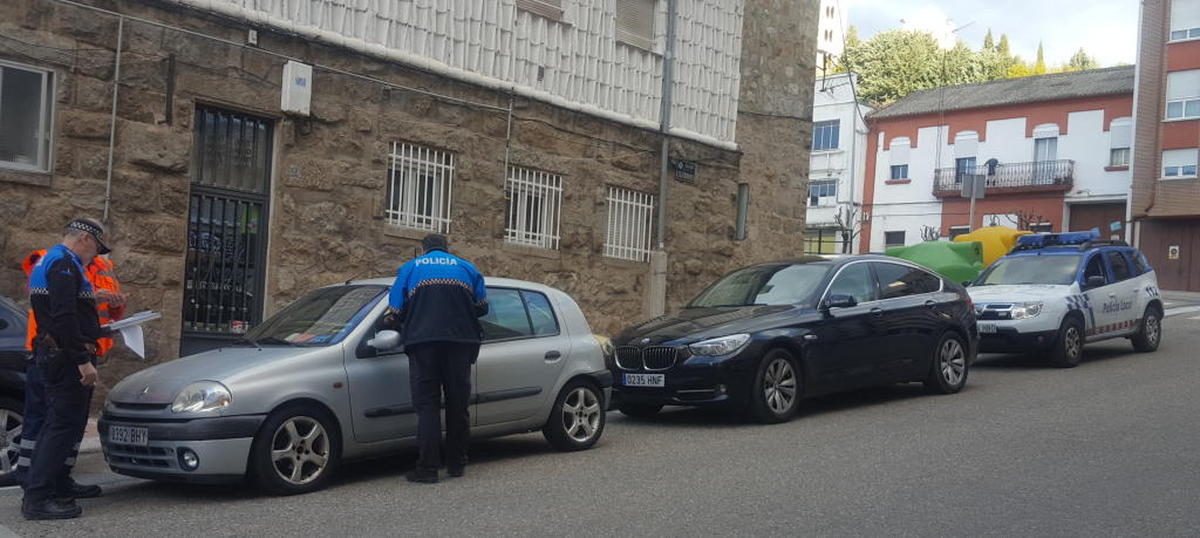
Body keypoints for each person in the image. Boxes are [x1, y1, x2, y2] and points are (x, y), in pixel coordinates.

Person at [14, 244, 126, 496]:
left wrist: (116, 303)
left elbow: (108, 313)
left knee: (71, 422)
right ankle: (31, 479)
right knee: (45, 419)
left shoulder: (103, 267)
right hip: (55, 350)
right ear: (85, 240)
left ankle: (59, 479)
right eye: (95, 247)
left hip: (85, 349)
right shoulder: (54, 259)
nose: (96, 253)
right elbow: (46, 300)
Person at [382, 234, 487, 484]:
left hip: (423, 344)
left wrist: (399, 319)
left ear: (424, 249)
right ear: (447, 249)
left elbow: (394, 311)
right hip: (461, 344)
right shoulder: (467, 267)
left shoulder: (411, 268)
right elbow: (482, 307)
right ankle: (456, 464)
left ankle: (428, 469)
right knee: (457, 405)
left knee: (427, 407)